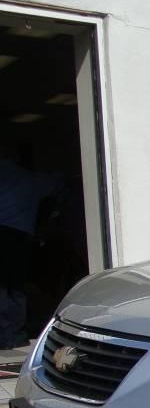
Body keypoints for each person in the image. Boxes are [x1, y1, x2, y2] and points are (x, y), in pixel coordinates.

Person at [0, 142, 62, 348]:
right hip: (18, 238)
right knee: (16, 288)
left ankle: (6, 335)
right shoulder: (29, 179)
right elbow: (56, 183)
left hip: (8, 234)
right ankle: (13, 336)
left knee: (5, 288)